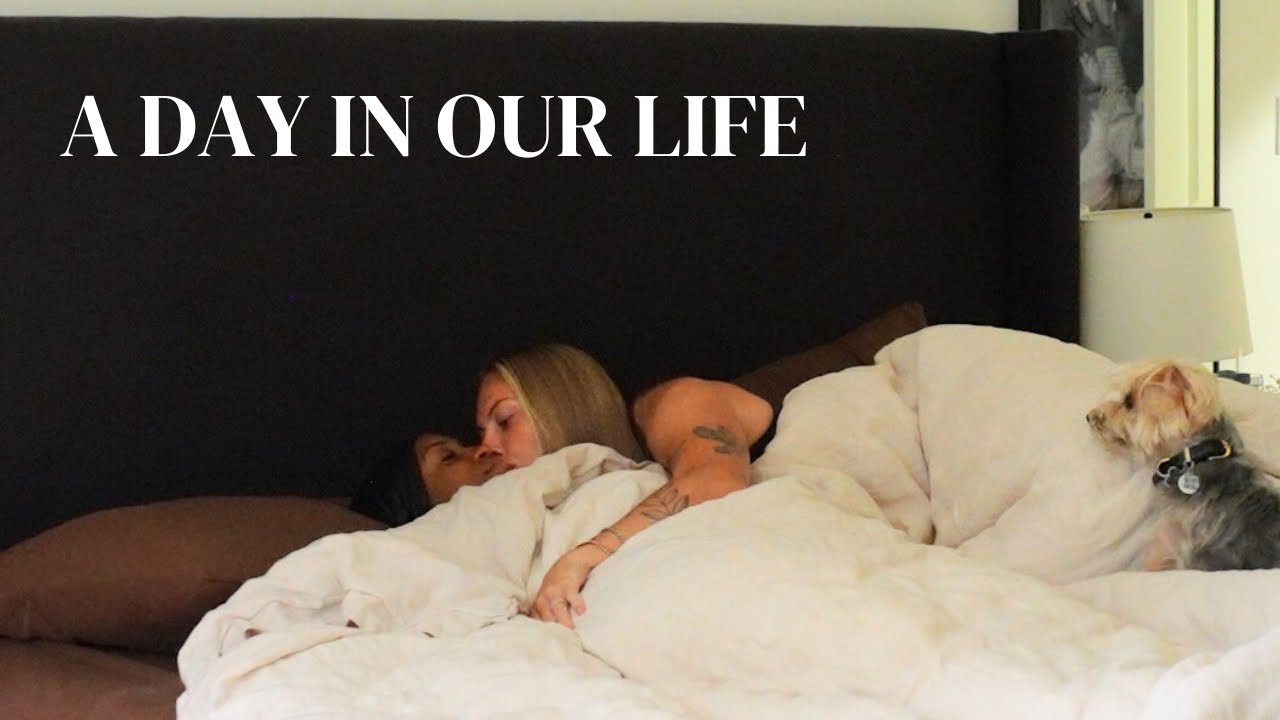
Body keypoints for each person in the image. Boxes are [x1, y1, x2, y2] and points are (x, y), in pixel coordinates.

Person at [528, 376, 773, 628]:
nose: (498, 450)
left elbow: (717, 480)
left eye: (507, 420)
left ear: (558, 406)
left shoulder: (670, 404)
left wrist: (586, 555)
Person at [352, 342, 646, 526]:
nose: (484, 447)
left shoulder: (649, 493)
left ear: (565, 410)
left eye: (504, 421)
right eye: (449, 458)